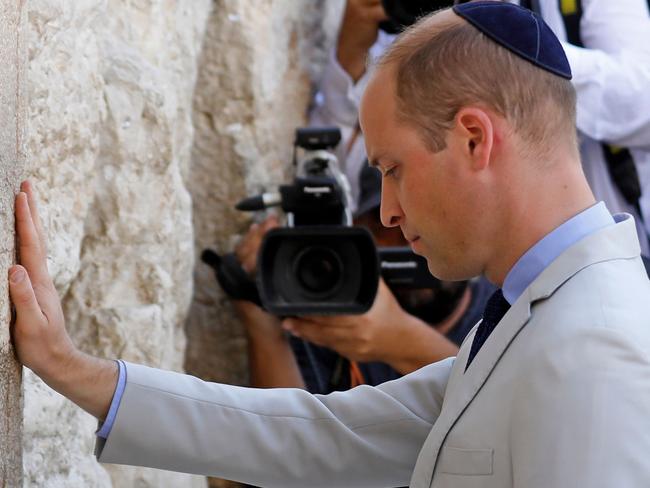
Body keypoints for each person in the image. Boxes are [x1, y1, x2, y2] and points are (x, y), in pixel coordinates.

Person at [9, 3, 650, 487]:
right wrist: (67, 366)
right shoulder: (545, 315)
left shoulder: (596, 345)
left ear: (475, 139)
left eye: (392, 168)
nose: (389, 211)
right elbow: (319, 433)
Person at [312, 0, 650, 254]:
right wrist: (349, 61)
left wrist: (498, 41)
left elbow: (641, 100)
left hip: (608, 244)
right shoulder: (399, 20)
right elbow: (343, 180)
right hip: (461, 270)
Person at [233, 166, 494, 392]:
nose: (411, 240)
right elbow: (289, 442)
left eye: (433, 215)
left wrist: (398, 340)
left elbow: (512, 411)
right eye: (387, 226)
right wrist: (263, 325)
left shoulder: (507, 306)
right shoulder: (329, 310)